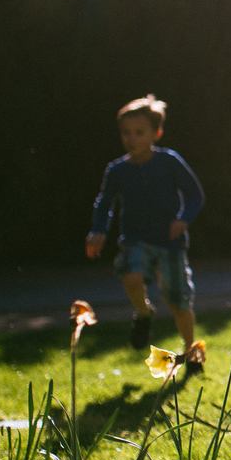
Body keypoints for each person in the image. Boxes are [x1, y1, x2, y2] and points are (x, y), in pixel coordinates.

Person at [86, 95, 206, 372]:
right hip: (135, 239)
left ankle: (191, 352)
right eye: (126, 133)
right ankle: (143, 312)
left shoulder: (169, 162)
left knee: (178, 301)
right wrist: (98, 231)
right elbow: (104, 204)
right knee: (131, 275)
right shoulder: (118, 170)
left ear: (156, 133)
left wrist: (183, 219)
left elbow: (195, 196)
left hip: (170, 242)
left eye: (139, 133)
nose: (131, 139)